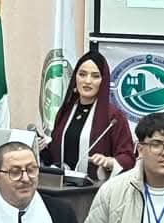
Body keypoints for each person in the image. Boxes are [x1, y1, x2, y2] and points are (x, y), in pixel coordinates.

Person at [41, 50, 135, 180]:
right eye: (82, 74)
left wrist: (109, 162)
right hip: (60, 187)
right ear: (75, 78)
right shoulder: (66, 111)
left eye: (95, 76)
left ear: (103, 81)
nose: (87, 81)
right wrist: (42, 148)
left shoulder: (113, 116)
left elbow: (128, 158)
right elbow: (55, 156)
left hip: (94, 188)